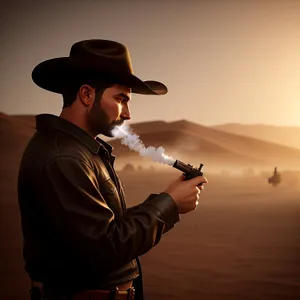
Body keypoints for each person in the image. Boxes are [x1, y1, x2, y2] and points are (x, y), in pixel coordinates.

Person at [17, 39, 208, 300]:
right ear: (87, 95)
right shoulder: (63, 157)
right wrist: (170, 203)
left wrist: (169, 199)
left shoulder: (79, 150)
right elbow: (105, 248)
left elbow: (108, 227)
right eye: (121, 99)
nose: (127, 113)